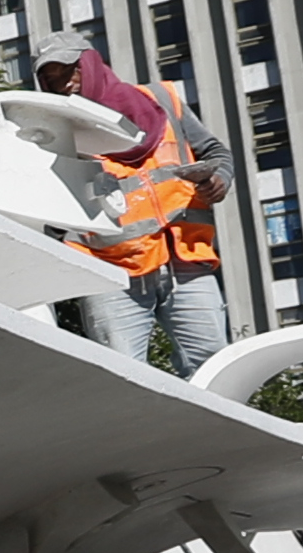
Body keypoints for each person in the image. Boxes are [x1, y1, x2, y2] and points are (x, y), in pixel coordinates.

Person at [39, 48, 232, 378]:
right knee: (123, 376)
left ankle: (216, 431)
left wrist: (219, 179)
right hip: (110, 271)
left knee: (212, 368)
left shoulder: (161, 99)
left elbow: (214, 151)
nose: (65, 84)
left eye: (71, 71)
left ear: (90, 65)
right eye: (51, 79)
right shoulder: (53, 130)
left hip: (183, 258)